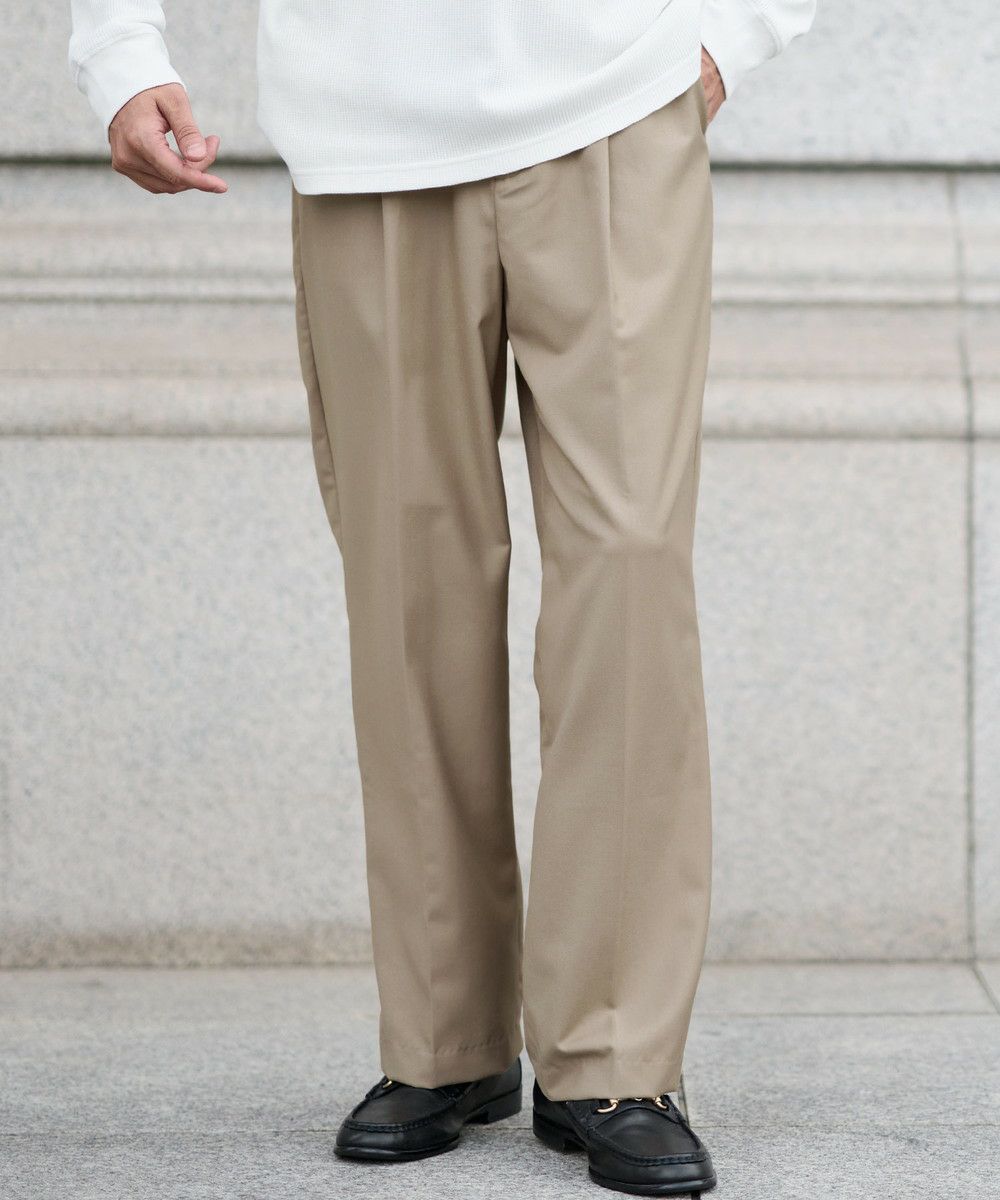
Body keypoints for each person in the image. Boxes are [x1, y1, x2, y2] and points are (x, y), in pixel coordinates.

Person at [68, 2, 815, 1193]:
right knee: (410, 586)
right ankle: (443, 1042)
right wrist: (119, 50)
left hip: (615, 97)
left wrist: (736, 28)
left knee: (626, 578)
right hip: (362, 121)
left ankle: (614, 1055)